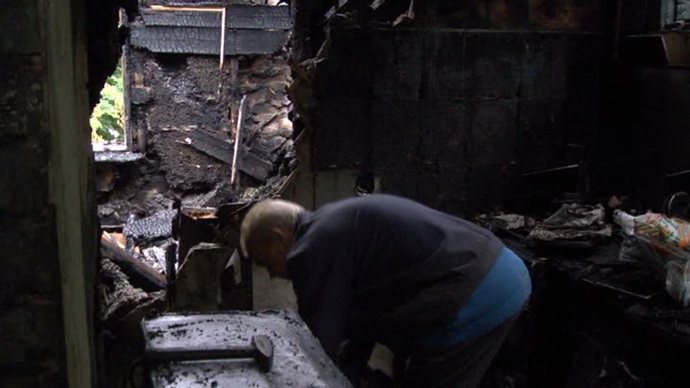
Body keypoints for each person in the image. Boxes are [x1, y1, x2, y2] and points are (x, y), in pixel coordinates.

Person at [240, 194, 531, 388]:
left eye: (265, 261)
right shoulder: (337, 225)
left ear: (279, 239)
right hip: (504, 271)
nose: (272, 273)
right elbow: (357, 328)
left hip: (474, 293)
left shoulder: (311, 248)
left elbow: (318, 348)